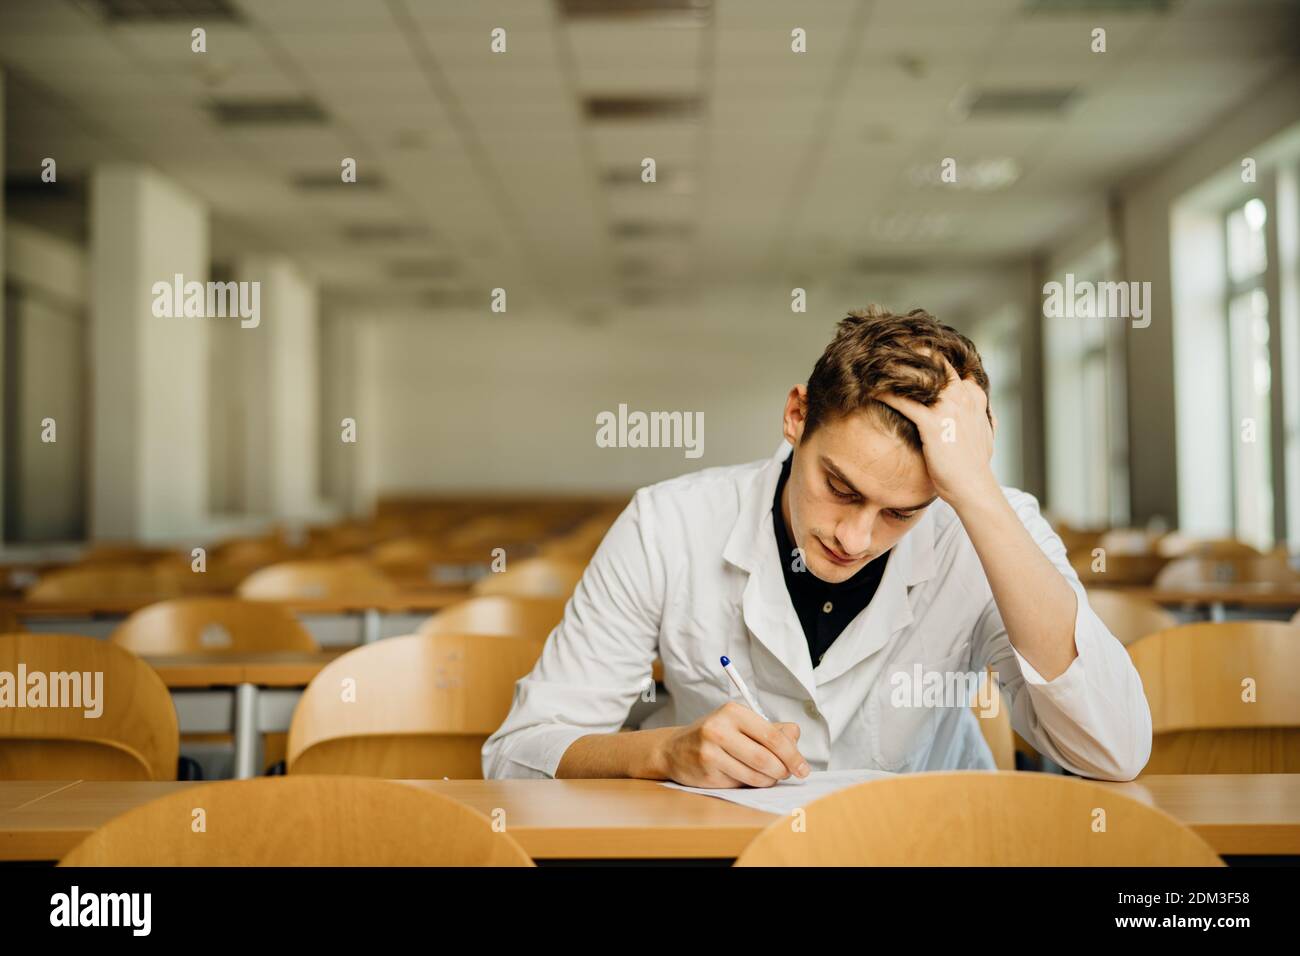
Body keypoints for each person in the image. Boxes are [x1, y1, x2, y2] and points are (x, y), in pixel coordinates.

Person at [483, 305, 1152, 786]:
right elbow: (516, 755)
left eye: (903, 512)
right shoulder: (667, 523)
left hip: (936, 853)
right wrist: (660, 753)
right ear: (797, 416)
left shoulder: (989, 524)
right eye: (839, 485)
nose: (855, 539)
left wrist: (977, 494)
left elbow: (1112, 751)